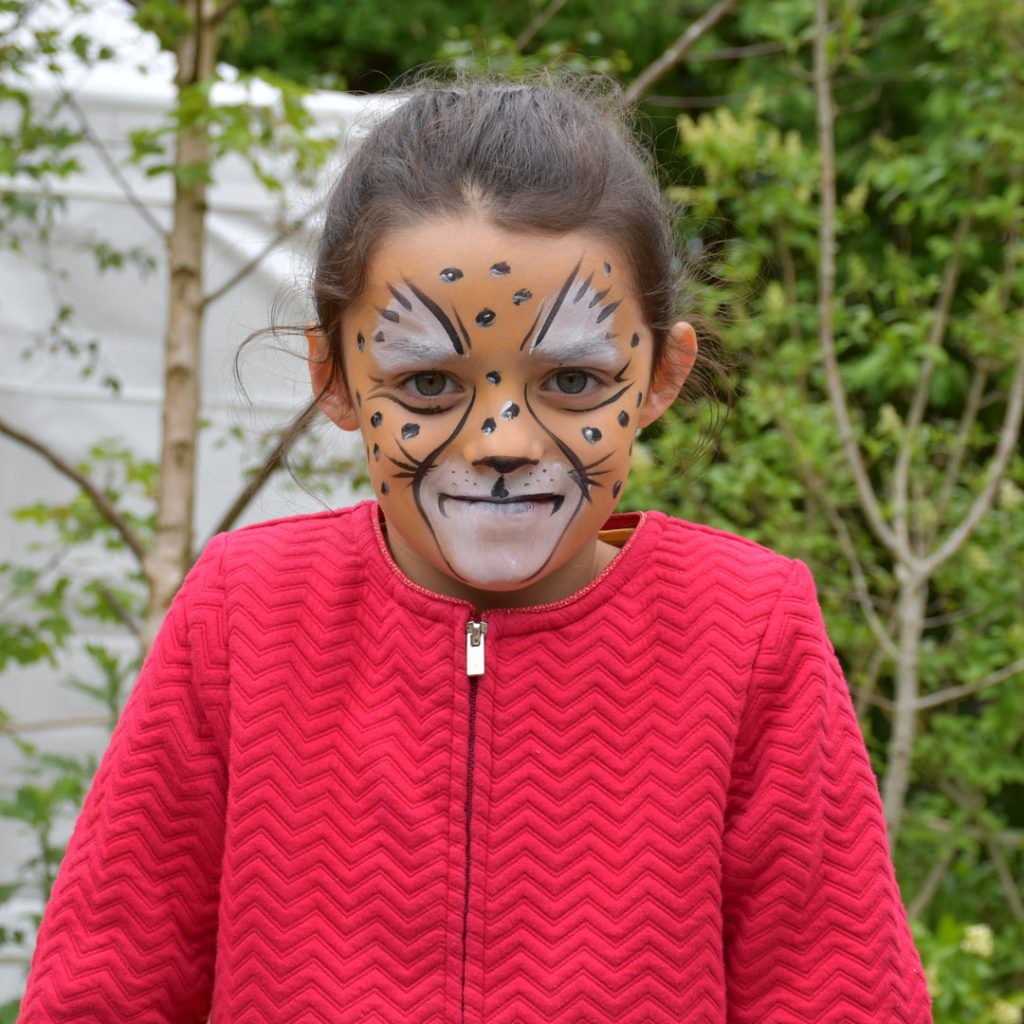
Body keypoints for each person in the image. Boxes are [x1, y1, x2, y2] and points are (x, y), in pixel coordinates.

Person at [19, 77, 934, 1023]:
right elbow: (105, 987)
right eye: (426, 383)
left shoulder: (746, 633)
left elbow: (841, 994)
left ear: (661, 375)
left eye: (574, 378)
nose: (502, 438)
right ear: (334, 379)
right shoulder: (245, 615)